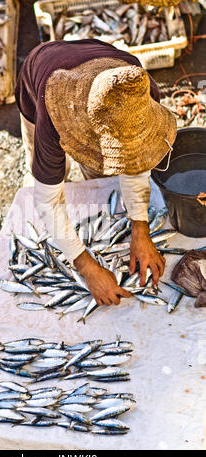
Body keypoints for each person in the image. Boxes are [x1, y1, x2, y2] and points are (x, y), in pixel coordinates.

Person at [15, 39, 177, 307]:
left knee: (102, 177)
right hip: (37, 85)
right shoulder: (51, 119)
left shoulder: (138, 87)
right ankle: (52, 174)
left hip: (93, 65)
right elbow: (48, 200)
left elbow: (135, 161)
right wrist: (87, 267)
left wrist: (140, 228)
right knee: (49, 176)